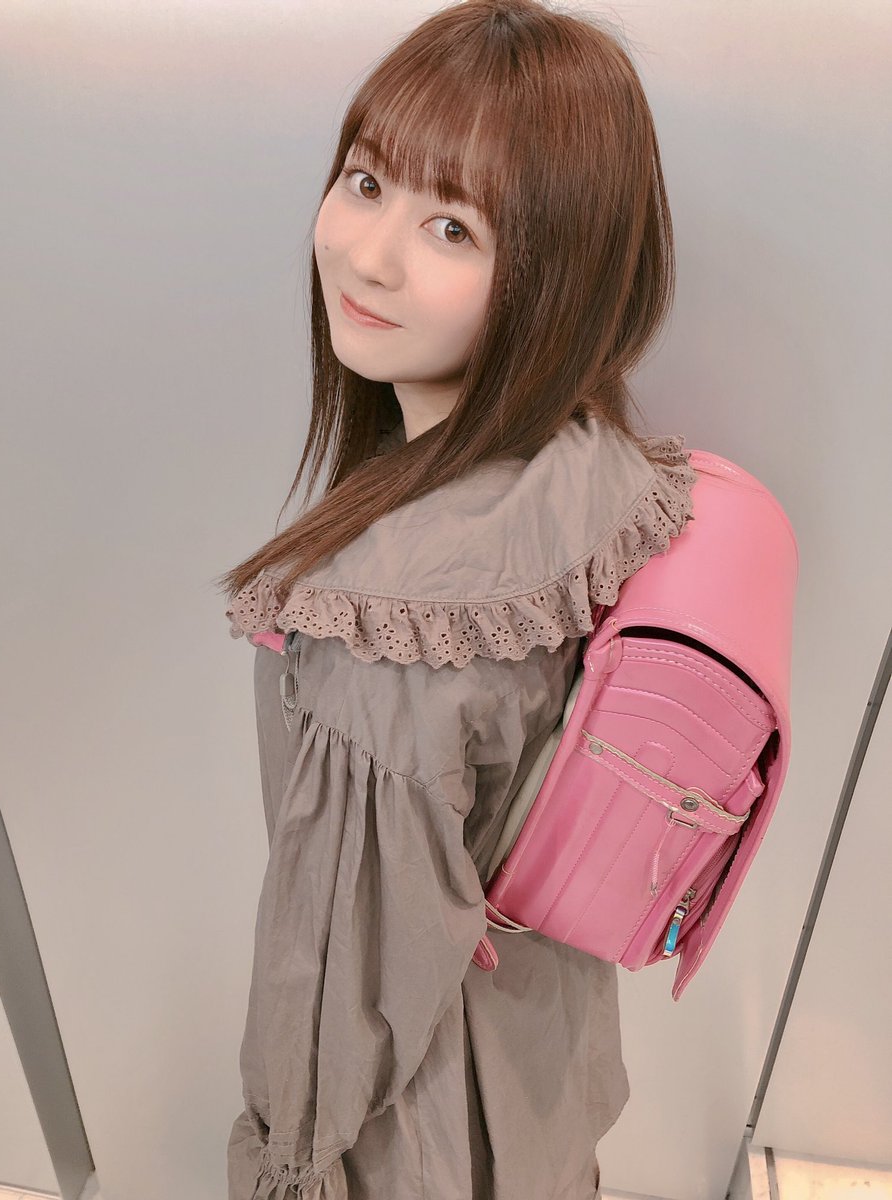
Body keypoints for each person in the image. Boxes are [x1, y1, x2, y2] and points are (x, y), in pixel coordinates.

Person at [217, 1, 697, 1195]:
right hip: (547, 1078)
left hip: (419, 1143)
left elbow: (335, 1004)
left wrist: (283, 1166)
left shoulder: (391, 621)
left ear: (557, 274)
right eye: (366, 182)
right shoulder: (589, 468)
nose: (368, 255)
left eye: (451, 227)